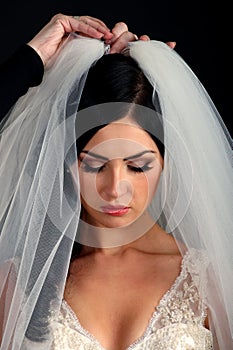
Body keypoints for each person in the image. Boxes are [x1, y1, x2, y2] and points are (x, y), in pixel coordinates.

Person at [0, 13, 232, 350]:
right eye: (94, 166)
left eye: (138, 167)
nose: (114, 190)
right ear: (65, 162)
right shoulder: (18, 283)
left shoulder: (212, 283)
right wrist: (30, 60)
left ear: (165, 162)